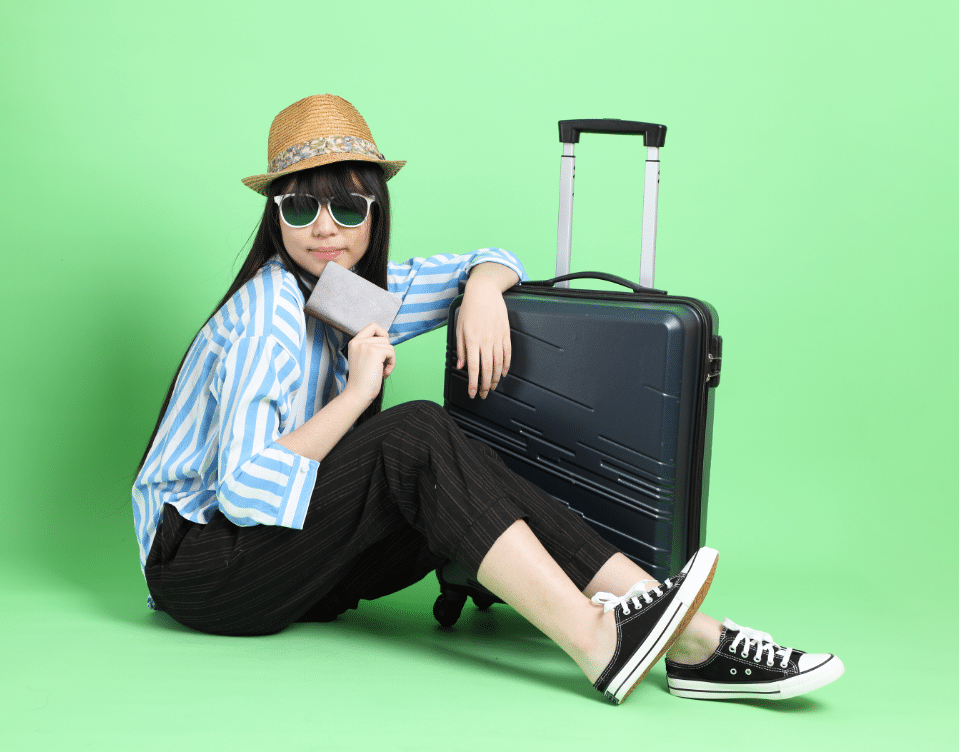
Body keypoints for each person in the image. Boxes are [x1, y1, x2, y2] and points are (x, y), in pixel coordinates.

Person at [131, 94, 844, 704]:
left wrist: (480, 290)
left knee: (463, 465)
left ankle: (693, 641)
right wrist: (357, 395)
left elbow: (490, 259)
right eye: (300, 206)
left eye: (347, 206)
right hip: (206, 570)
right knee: (416, 435)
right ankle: (597, 639)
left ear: (374, 213)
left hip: (289, 566)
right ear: (275, 216)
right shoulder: (268, 315)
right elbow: (244, 491)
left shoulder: (344, 292)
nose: (325, 228)